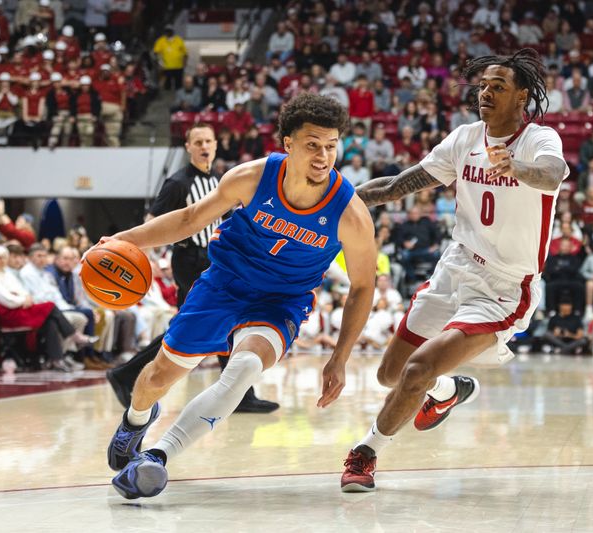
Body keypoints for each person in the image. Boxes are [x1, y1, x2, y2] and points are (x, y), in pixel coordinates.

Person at [104, 93, 377, 499]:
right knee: (157, 378)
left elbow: (362, 286)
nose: (323, 156)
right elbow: (189, 219)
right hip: (223, 286)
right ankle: (137, 419)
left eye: (331, 145)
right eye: (312, 145)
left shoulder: (350, 213)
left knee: (244, 368)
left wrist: (339, 358)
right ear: (288, 144)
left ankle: (156, 458)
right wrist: (121, 241)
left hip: (281, 302)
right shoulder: (251, 177)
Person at [341, 49, 569, 492]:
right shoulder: (464, 138)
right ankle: (446, 391)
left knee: (416, 368)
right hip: (456, 266)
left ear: (521, 96)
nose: (485, 92)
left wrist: (516, 167)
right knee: (391, 373)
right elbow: (396, 185)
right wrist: (337, 200)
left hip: (504, 286)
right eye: (482, 85)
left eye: (498, 86)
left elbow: (553, 174)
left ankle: (364, 455)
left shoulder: (539, 140)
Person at [105, 123, 278, 412]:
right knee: (214, 322)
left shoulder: (219, 180)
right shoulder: (177, 183)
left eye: (208, 141)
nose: (204, 146)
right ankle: (126, 375)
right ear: (188, 147)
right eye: (197, 142)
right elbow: (153, 221)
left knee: (211, 325)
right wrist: (147, 257)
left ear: (215, 145)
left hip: (213, 258)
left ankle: (239, 395)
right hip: (189, 260)